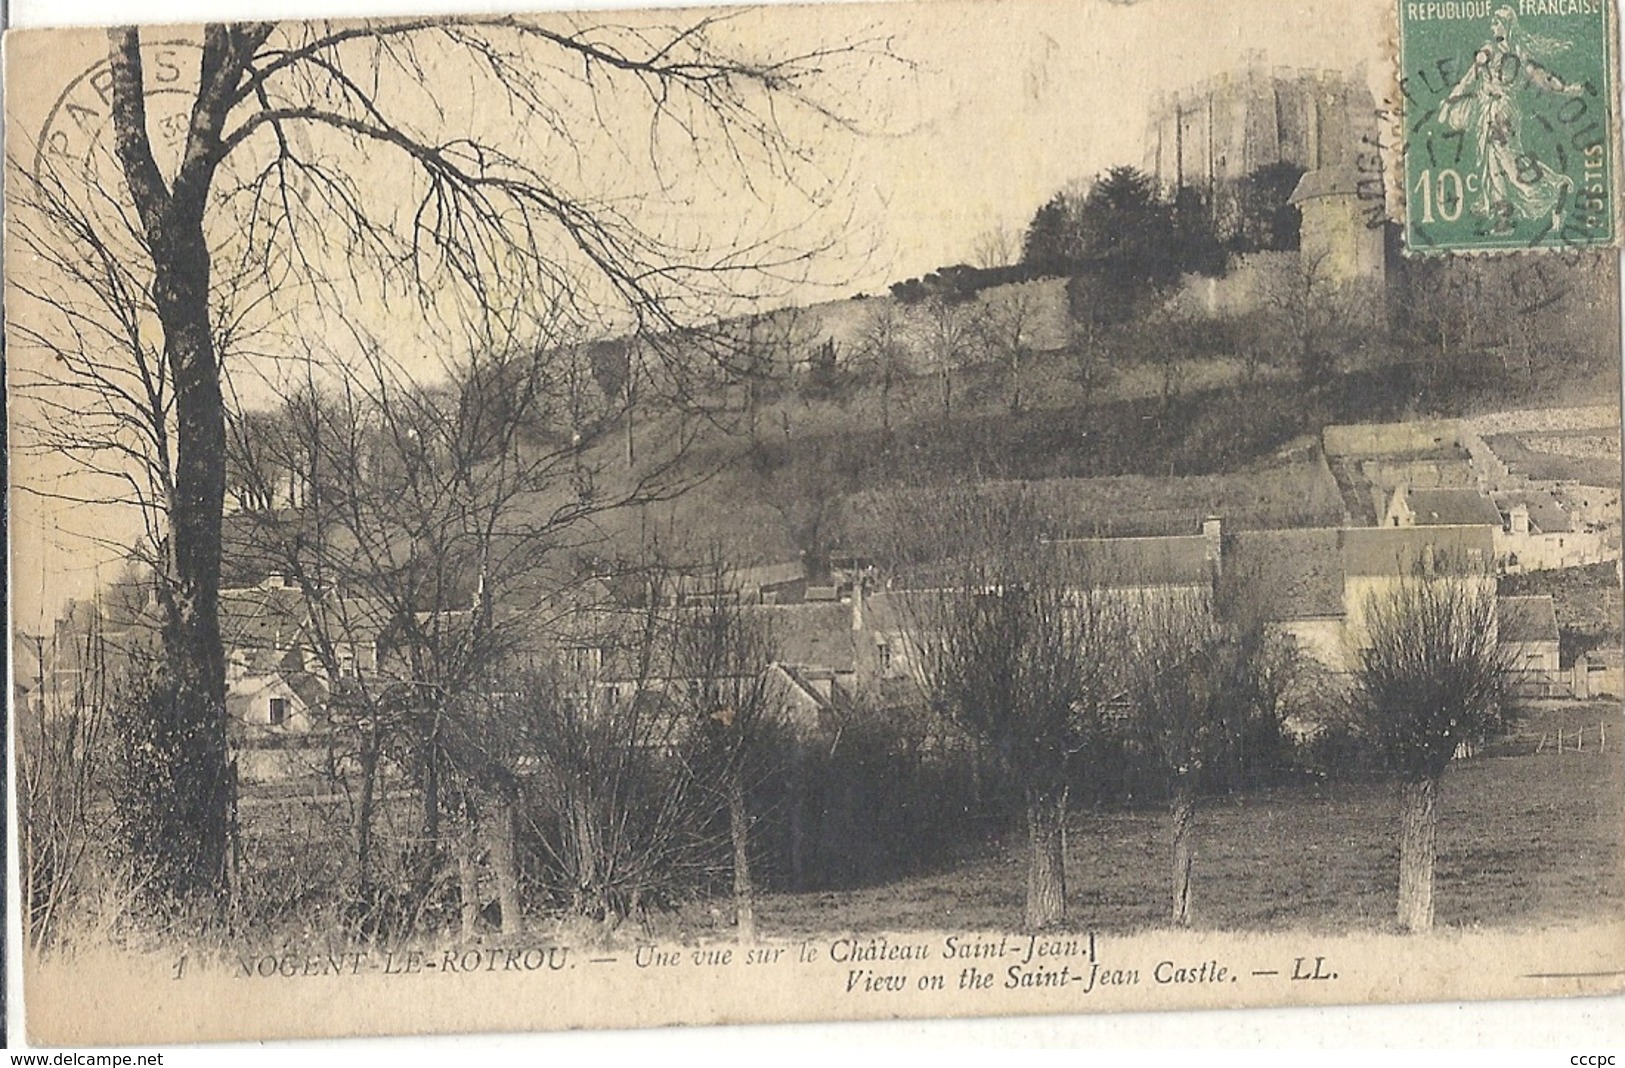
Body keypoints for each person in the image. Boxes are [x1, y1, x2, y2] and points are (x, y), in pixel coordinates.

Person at [1436, 6, 1585, 231]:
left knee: (1511, 164)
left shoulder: (1509, 52)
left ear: (1506, 25)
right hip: (1492, 111)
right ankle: (1503, 214)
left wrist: (1565, 89)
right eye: (1493, 22)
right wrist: (1451, 100)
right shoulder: (1493, 50)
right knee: (1493, 162)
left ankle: (1554, 191)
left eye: (1497, 22)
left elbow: (1542, 77)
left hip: (1503, 114)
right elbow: (1470, 78)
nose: (1492, 25)